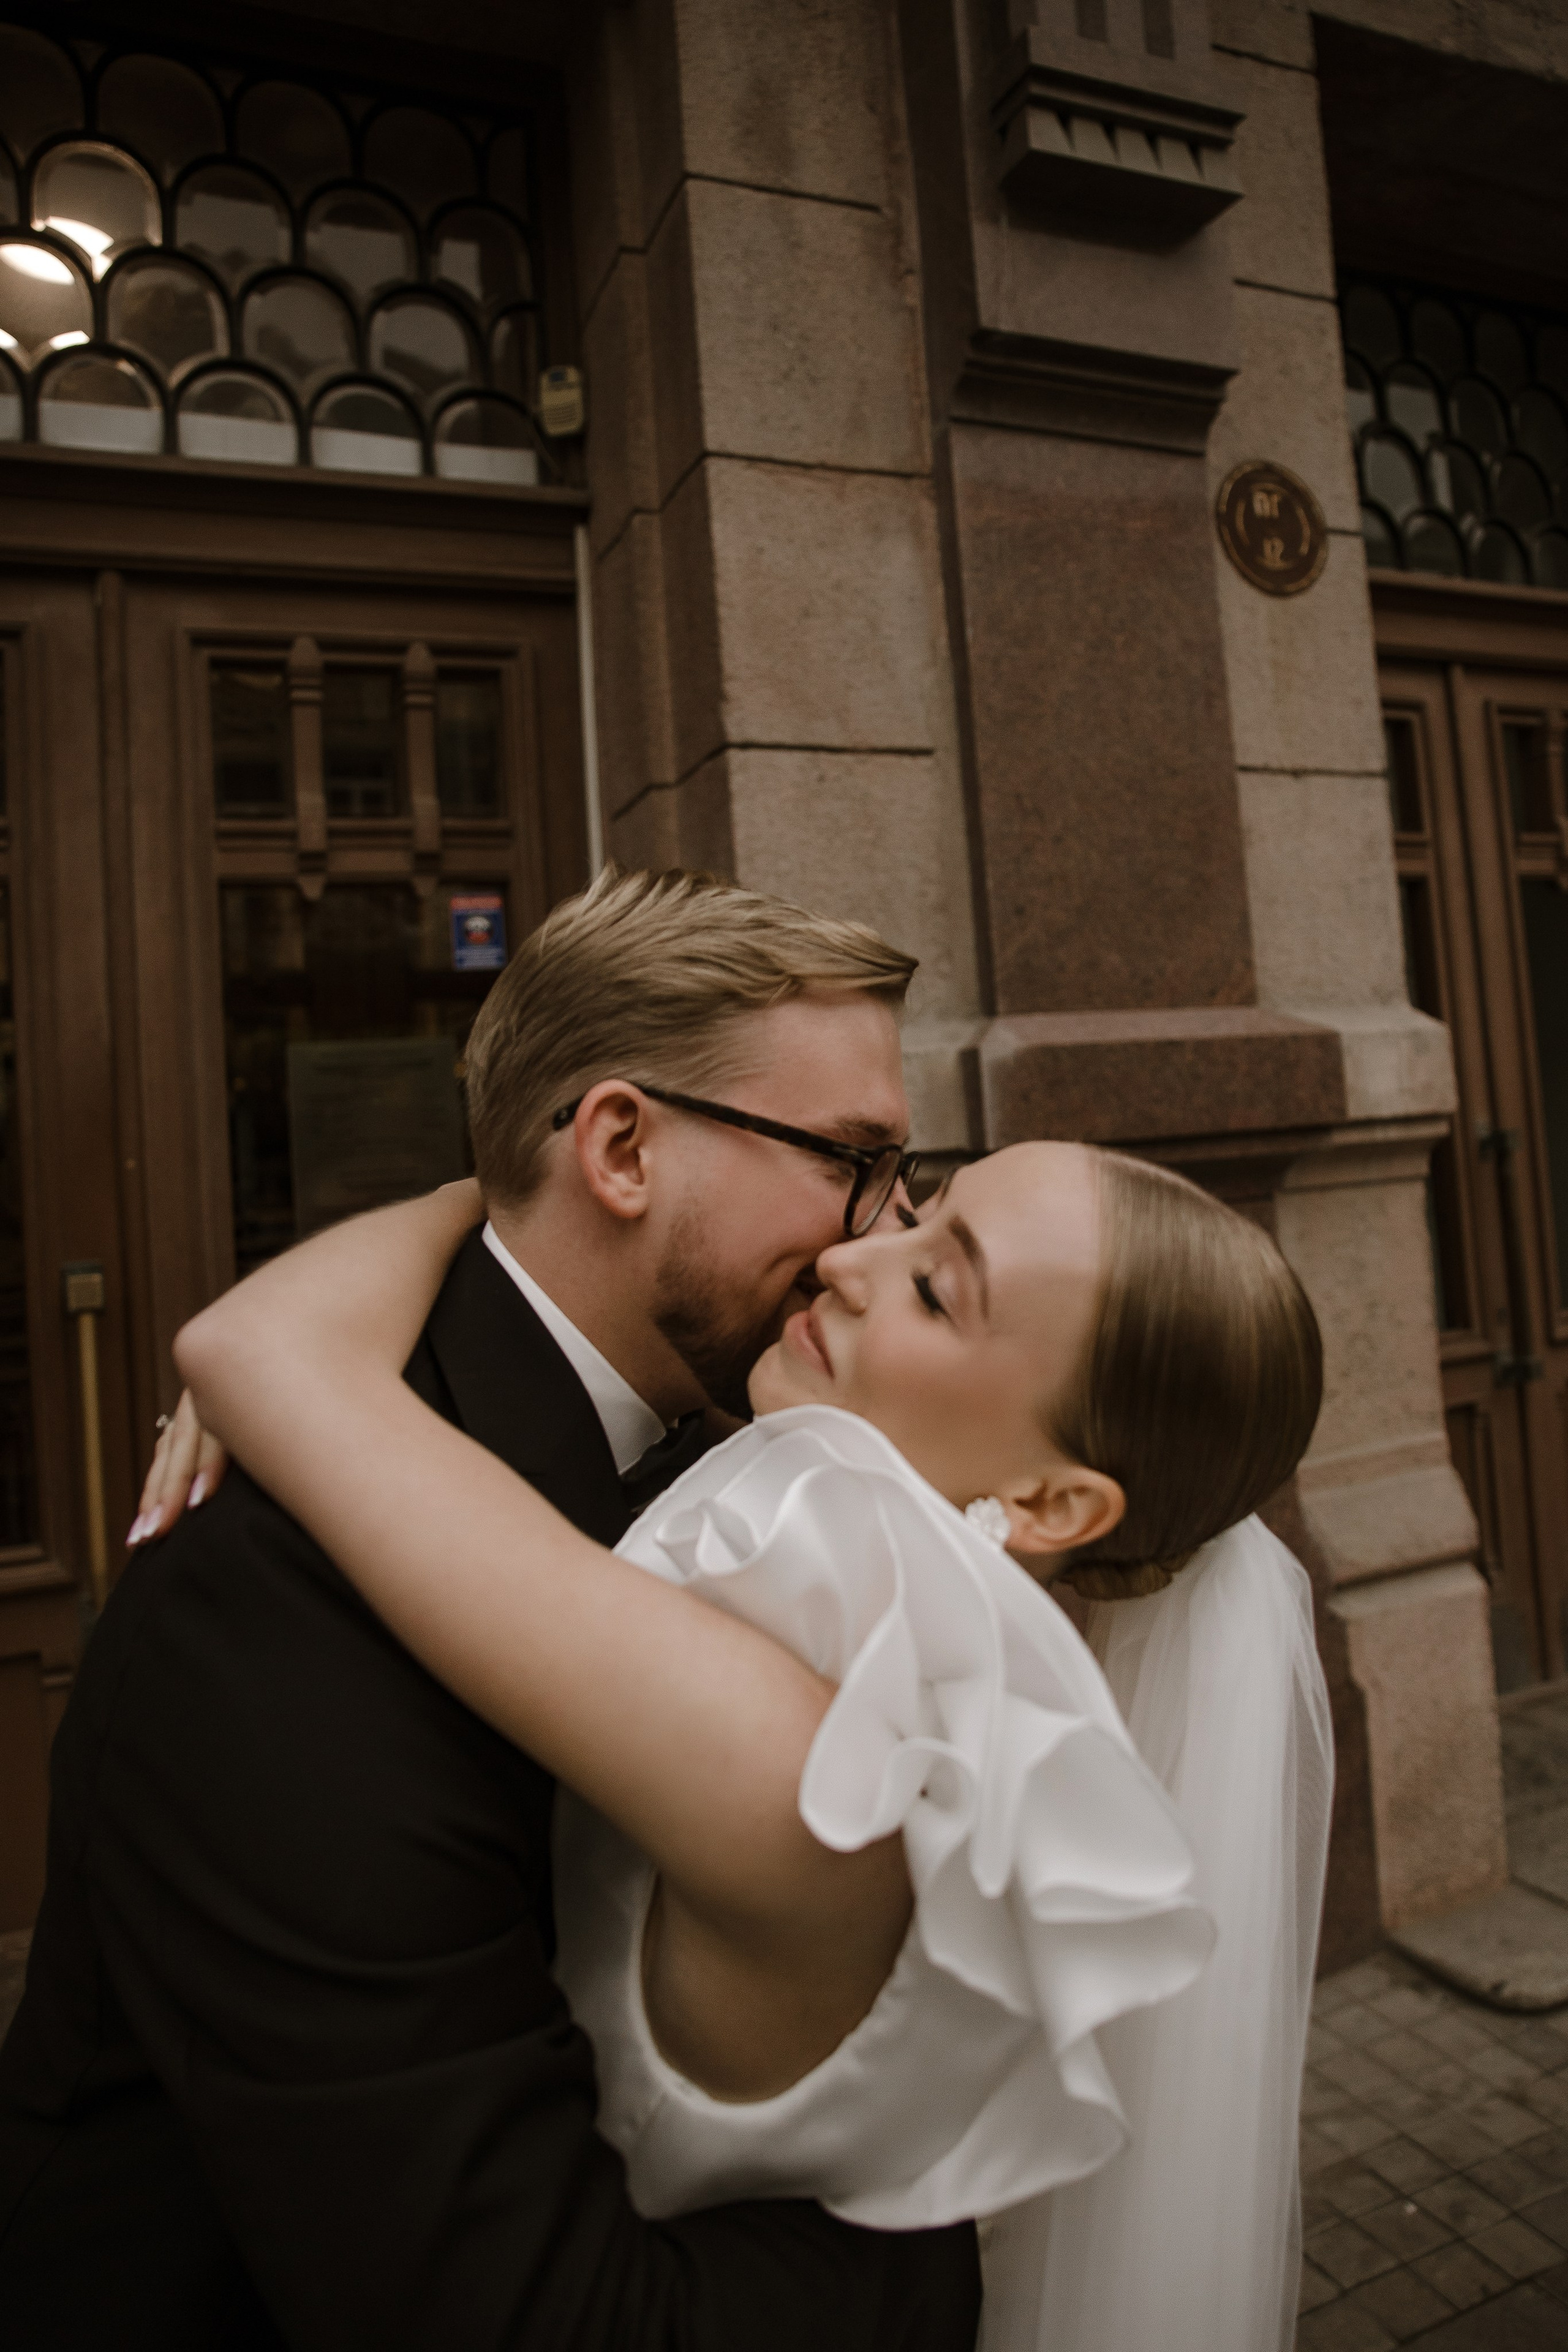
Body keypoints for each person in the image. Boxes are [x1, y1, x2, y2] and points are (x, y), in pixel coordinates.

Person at [0, 870, 985, 2352]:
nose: (873, 1238)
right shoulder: (270, 1610)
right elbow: (513, 2310)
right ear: (621, 1147)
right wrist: (964, 2256)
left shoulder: (747, 1433)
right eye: (850, 1160)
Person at [163, 1123, 1331, 2350]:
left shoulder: (811, 1765)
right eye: (914, 1212)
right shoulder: (880, 1674)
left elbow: (255, 1348)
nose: (849, 1262)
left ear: (1050, 1502)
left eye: (934, 1288)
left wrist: (496, 1191)